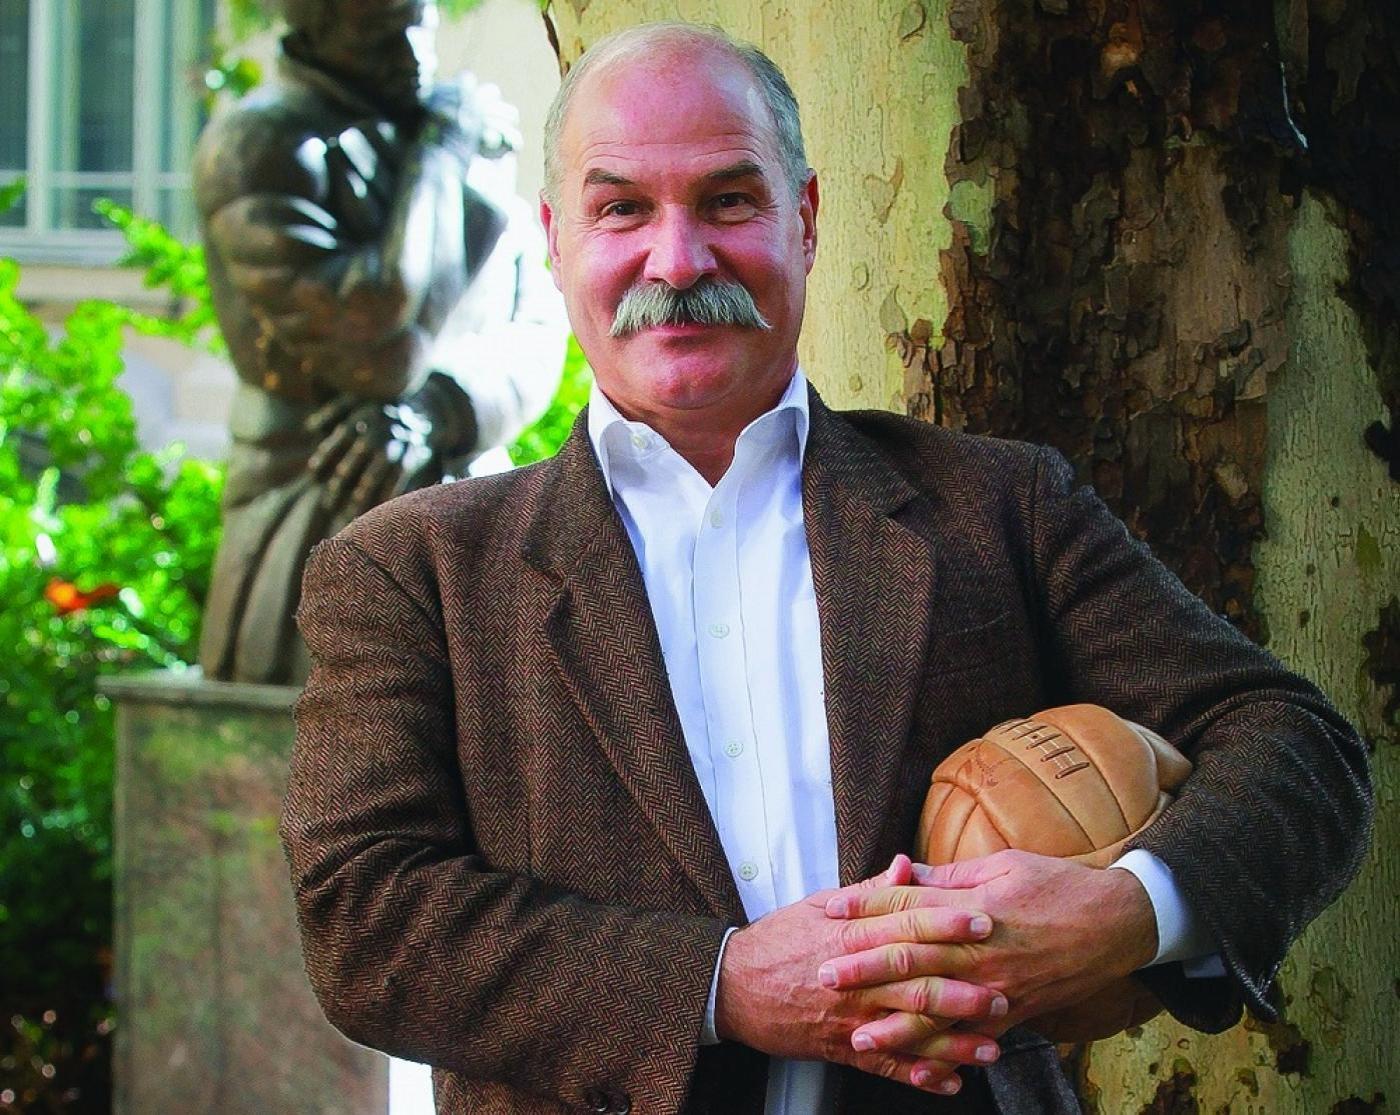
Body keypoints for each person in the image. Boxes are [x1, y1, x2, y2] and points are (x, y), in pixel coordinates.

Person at [281, 21, 1373, 1115]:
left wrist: (1129, 908)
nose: (678, 260)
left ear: (803, 220)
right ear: (556, 239)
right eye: (622, 209)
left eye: (727, 201)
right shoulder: (409, 569)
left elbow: (1296, 744)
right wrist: (720, 986)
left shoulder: (999, 505)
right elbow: (364, 914)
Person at [193, 0, 566, 684]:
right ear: (313, 23)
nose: (415, 54)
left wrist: (440, 408)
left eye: (419, 23)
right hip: (316, 515)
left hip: (476, 523)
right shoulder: (261, 148)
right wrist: (439, 157)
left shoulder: (459, 130)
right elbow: (378, 348)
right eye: (381, 30)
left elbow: (538, 328)